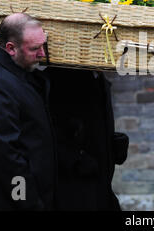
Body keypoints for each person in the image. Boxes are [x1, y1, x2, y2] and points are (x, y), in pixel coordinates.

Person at [0, 13, 56, 210]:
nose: (42, 54)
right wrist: (30, 203)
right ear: (11, 48)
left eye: (43, 45)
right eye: (34, 48)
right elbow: (6, 159)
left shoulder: (16, 74)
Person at [46, 67, 129, 210]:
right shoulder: (59, 77)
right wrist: (76, 160)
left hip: (100, 183)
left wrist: (113, 145)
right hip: (75, 188)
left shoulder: (98, 77)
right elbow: (48, 132)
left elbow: (95, 125)